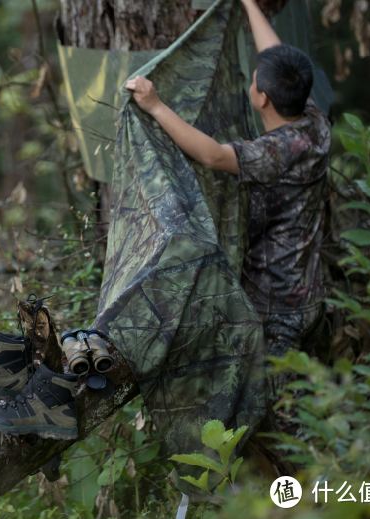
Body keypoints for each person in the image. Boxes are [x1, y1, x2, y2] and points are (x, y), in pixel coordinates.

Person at [124, 0, 330, 421]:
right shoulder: (315, 123)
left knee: (272, 420)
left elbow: (215, 156)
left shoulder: (273, 152)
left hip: (277, 312)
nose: (252, 78)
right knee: (296, 408)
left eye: (256, 79)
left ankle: (289, 484)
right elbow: (276, 57)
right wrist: (249, 3)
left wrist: (157, 105)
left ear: (262, 98)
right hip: (309, 295)